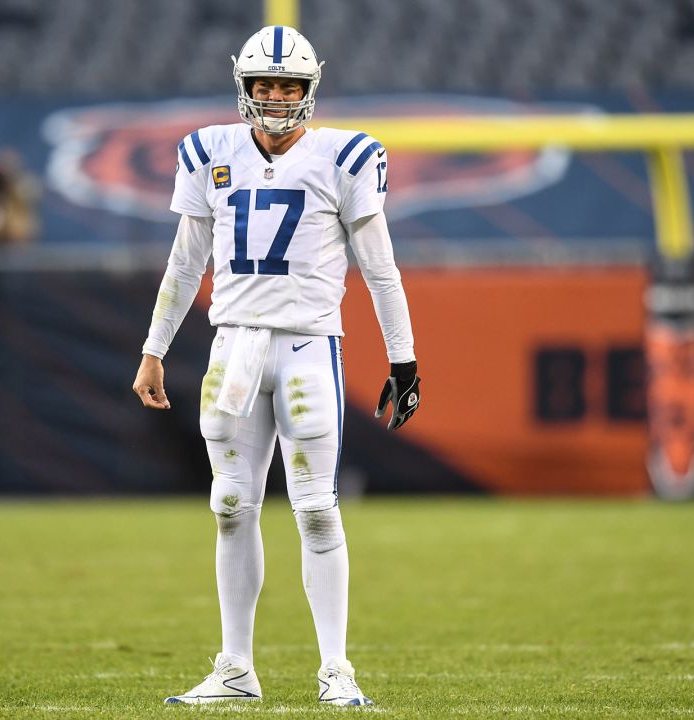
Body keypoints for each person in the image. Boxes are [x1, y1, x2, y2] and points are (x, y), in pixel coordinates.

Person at [132, 25, 421, 707]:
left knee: (318, 510)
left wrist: (403, 358)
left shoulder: (345, 157)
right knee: (231, 507)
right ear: (245, 86)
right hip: (233, 346)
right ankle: (235, 668)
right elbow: (185, 263)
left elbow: (381, 272)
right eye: (264, 84)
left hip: (307, 347)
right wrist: (154, 348)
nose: (275, 95)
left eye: (287, 85)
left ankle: (336, 670)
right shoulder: (210, 153)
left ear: (308, 90)